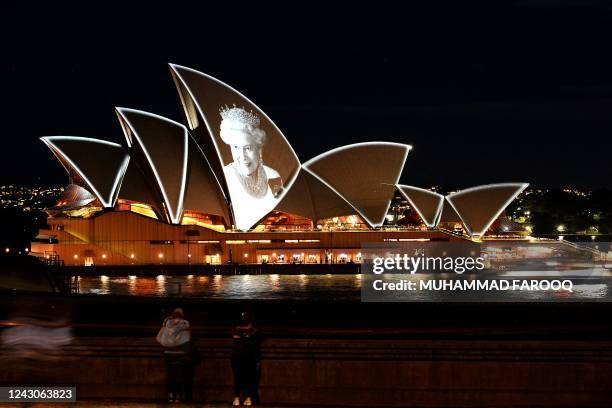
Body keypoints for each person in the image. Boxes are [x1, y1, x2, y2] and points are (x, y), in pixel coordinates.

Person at [219, 105, 283, 230]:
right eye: (236, 147)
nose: (242, 156)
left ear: (259, 148)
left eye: (247, 148)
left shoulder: (273, 175)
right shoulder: (224, 178)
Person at [156, 308, 191, 403]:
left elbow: (159, 339)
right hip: (180, 353)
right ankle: (178, 396)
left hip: (168, 353)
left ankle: (171, 395)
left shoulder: (167, 323)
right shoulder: (185, 324)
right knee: (179, 375)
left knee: (170, 375)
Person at [231, 312, 262, 406]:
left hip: (247, 356)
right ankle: (238, 397)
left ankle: (245, 397)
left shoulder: (253, 331)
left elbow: (256, 338)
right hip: (239, 356)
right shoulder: (237, 330)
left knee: (247, 378)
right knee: (239, 377)